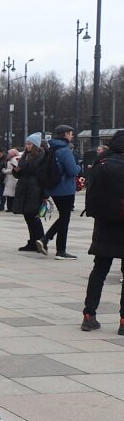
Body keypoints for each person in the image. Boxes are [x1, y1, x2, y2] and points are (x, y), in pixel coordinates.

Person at [81, 130, 124, 333]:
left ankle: (89, 315)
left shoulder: (102, 162)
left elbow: (92, 194)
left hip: (105, 225)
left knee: (99, 271)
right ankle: (123, 321)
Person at [41, 124, 82, 259]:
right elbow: (72, 171)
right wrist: (78, 166)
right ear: (64, 134)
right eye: (70, 133)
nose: (72, 136)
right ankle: (60, 250)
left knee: (63, 217)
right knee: (65, 219)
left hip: (54, 188)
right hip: (66, 189)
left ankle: (46, 239)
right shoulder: (65, 150)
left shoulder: (51, 149)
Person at [12, 134, 47, 253]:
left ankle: (41, 241)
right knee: (28, 216)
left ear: (35, 145)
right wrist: (16, 170)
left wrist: (44, 195)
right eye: (26, 143)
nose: (27, 146)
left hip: (34, 189)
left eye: (30, 144)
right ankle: (33, 242)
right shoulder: (25, 156)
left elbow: (40, 173)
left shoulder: (41, 156)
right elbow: (20, 173)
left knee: (34, 217)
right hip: (25, 188)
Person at [3, 148, 20, 214]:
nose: (8, 155)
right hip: (9, 179)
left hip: (13, 179)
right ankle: (10, 207)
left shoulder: (14, 160)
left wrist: (5, 171)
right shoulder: (11, 160)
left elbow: (14, 169)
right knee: (9, 194)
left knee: (11, 194)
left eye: (9, 153)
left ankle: (11, 207)